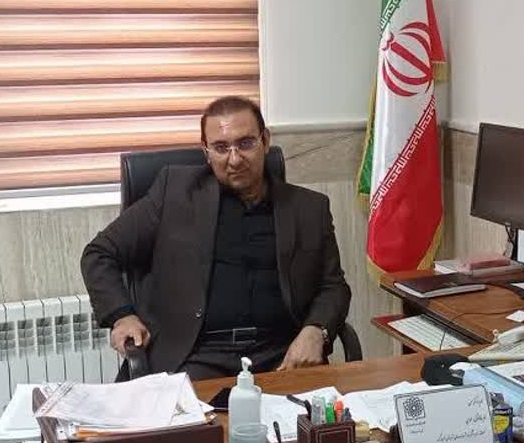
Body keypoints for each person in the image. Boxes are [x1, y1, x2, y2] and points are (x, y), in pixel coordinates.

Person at [81, 96, 351, 380]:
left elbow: (333, 285)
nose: (234, 159)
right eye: (221, 148)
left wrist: (316, 331)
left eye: (245, 143)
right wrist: (122, 316)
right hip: (196, 357)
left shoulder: (309, 208)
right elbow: (99, 253)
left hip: (281, 356)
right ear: (206, 151)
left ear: (265, 141)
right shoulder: (174, 193)